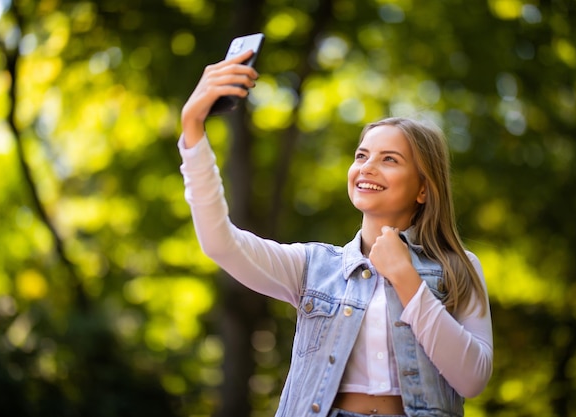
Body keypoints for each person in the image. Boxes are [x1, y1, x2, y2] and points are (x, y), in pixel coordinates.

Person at [179, 49, 493, 417]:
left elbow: (472, 379)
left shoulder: (458, 269)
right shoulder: (312, 267)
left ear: (423, 188)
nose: (368, 167)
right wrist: (193, 131)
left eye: (389, 159)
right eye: (362, 156)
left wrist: (406, 278)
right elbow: (221, 243)